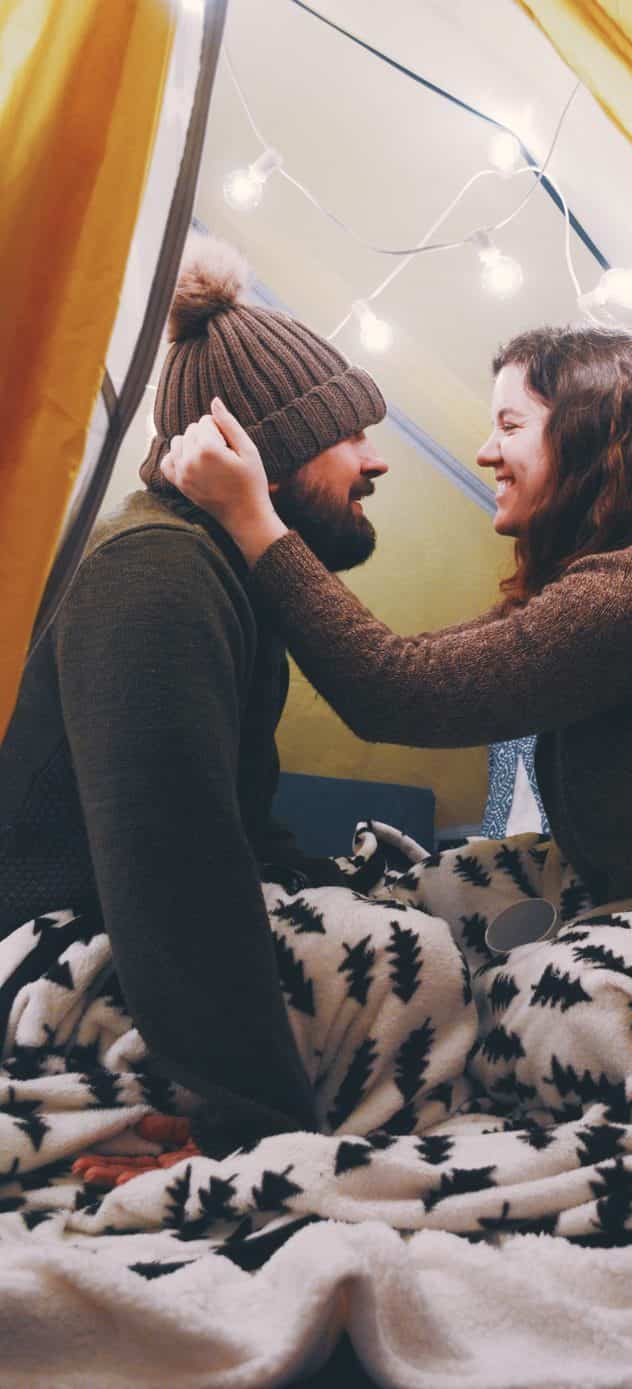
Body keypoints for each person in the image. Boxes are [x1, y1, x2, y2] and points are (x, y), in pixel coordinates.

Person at [163, 324, 632, 960]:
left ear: (589, 438)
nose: (485, 452)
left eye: (511, 425)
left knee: (537, 1001)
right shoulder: (613, 577)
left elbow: (397, 691)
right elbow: (414, 662)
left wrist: (251, 515)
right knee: (426, 898)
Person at [0, 233, 426, 1159]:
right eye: (347, 436)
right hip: (42, 950)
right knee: (413, 974)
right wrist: (261, 1122)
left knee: (408, 932)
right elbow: (174, 868)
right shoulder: (158, 569)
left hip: (118, 930)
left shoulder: (233, 575)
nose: (374, 460)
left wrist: (326, 886)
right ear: (266, 458)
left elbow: (237, 819)